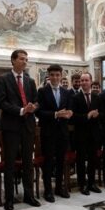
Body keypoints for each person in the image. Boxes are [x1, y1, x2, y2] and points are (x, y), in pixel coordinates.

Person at [0, 49, 40, 210]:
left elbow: (36, 101)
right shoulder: (3, 80)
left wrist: (32, 107)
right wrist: (21, 110)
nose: (24, 62)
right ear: (13, 61)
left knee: (28, 163)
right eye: (22, 59)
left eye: (26, 59)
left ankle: (29, 195)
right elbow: (2, 102)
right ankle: (9, 199)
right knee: (10, 164)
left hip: (28, 127)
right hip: (11, 127)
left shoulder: (30, 81)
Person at [37, 64, 73, 202]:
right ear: (49, 76)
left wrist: (69, 113)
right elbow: (39, 112)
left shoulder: (66, 92)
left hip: (63, 132)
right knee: (48, 162)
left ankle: (59, 187)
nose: (55, 77)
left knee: (60, 161)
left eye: (57, 75)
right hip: (48, 132)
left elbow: (70, 109)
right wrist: (55, 114)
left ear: (61, 76)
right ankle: (48, 191)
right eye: (52, 75)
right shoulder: (42, 91)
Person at [72, 72, 102, 195]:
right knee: (81, 160)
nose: (83, 82)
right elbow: (72, 117)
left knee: (92, 159)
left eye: (86, 80)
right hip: (81, 134)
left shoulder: (97, 97)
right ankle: (82, 184)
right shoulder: (75, 98)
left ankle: (91, 183)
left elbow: (102, 114)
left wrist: (98, 115)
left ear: (90, 81)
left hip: (94, 134)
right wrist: (87, 116)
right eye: (81, 80)